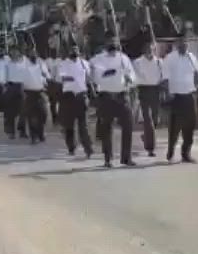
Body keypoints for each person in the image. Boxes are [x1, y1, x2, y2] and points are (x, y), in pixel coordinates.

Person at [92, 39, 136, 167]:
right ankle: (108, 158)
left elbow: (132, 74)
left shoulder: (124, 58)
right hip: (107, 97)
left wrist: (130, 78)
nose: (113, 44)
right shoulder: (98, 59)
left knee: (128, 125)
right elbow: (97, 76)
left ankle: (126, 157)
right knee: (107, 128)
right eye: (110, 42)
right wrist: (112, 72)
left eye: (115, 42)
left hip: (122, 95)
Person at [162, 36, 198, 163]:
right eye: (181, 42)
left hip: (189, 95)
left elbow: (197, 73)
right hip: (176, 96)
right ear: (177, 43)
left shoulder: (191, 57)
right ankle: (171, 150)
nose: (184, 44)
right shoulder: (170, 58)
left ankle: (186, 153)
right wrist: (167, 93)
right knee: (175, 127)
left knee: (190, 126)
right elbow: (165, 77)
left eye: (186, 42)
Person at [56, 45, 94, 158]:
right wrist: (70, 79)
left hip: (81, 96)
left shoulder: (84, 63)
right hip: (68, 97)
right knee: (69, 125)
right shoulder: (63, 64)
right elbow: (60, 78)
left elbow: (89, 78)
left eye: (76, 49)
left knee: (83, 125)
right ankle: (71, 147)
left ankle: (88, 148)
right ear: (69, 51)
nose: (74, 51)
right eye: (72, 49)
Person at [133, 40, 165, 157]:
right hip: (144, 90)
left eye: (152, 49)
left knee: (155, 120)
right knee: (148, 119)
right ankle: (150, 148)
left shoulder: (159, 62)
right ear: (144, 50)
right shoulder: (137, 62)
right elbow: (135, 77)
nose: (150, 52)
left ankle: (146, 136)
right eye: (148, 49)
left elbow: (163, 76)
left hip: (156, 91)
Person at [20, 50, 51, 144]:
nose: (33, 56)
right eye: (31, 54)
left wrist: (46, 77)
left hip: (40, 92)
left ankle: (40, 133)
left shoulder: (41, 64)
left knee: (43, 114)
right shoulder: (24, 65)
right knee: (31, 116)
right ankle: (34, 136)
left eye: (35, 54)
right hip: (29, 93)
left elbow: (48, 76)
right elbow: (21, 79)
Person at [4, 46, 29, 139]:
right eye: (12, 52)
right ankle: (11, 132)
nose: (14, 53)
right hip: (11, 87)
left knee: (24, 110)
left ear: (19, 52)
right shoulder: (7, 64)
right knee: (10, 111)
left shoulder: (24, 62)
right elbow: (4, 76)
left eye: (16, 51)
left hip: (22, 87)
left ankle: (22, 130)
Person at [44, 48, 61, 124]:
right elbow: (45, 71)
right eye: (52, 52)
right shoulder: (47, 61)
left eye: (55, 52)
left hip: (59, 83)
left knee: (60, 101)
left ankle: (60, 117)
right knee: (53, 102)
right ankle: (54, 117)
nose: (54, 53)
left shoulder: (60, 60)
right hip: (50, 83)